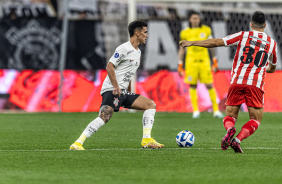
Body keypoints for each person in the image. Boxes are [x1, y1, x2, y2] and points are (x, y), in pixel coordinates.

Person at [179, 11, 277, 153]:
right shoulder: (272, 43)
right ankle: (237, 140)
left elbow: (216, 42)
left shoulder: (243, 35)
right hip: (255, 84)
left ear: (251, 24)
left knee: (230, 115)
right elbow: (272, 68)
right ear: (265, 25)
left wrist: (192, 43)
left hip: (237, 81)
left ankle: (230, 129)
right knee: (255, 119)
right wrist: (264, 68)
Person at [70, 21, 164, 150]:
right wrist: (115, 86)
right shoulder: (123, 48)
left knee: (150, 105)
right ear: (137, 33)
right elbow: (110, 66)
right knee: (105, 117)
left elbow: (129, 73)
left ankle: (147, 139)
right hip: (111, 89)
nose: (147, 35)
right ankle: (78, 143)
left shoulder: (138, 52)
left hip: (123, 91)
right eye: (145, 32)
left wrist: (130, 92)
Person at [178, 11, 223, 118]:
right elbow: (181, 50)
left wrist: (215, 61)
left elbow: (211, 45)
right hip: (191, 63)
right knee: (192, 85)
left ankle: (216, 111)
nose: (195, 20)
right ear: (190, 19)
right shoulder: (185, 32)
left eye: (197, 18)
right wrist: (180, 64)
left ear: (200, 19)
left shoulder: (206, 30)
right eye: (193, 18)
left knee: (209, 84)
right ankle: (196, 111)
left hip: (204, 62)